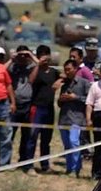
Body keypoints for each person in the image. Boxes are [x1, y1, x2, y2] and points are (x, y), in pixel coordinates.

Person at [25, 45, 60, 174]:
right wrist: (38, 64)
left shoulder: (53, 71)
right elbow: (30, 80)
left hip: (49, 109)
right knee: (33, 137)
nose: (45, 57)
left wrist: (60, 81)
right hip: (37, 108)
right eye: (42, 55)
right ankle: (29, 165)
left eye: (47, 54)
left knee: (46, 138)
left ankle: (45, 165)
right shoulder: (35, 70)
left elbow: (65, 76)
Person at [57, 60, 91, 176]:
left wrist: (75, 97)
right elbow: (59, 104)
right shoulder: (65, 84)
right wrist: (62, 99)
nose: (67, 72)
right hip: (64, 118)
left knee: (74, 143)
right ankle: (69, 167)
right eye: (65, 69)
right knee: (67, 145)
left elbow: (89, 100)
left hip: (77, 119)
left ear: (75, 69)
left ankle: (75, 168)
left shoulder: (84, 83)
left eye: (69, 69)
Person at [8, 46, 35, 170]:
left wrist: (30, 55)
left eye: (25, 56)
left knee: (26, 136)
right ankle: (6, 161)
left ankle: (23, 161)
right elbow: (0, 71)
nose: (23, 58)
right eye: (21, 55)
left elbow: (41, 65)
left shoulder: (31, 67)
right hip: (14, 104)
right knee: (9, 135)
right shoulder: (12, 67)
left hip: (27, 105)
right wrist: (12, 59)